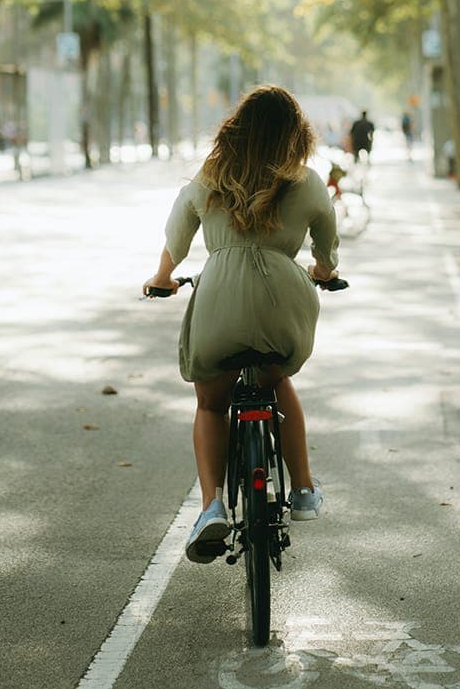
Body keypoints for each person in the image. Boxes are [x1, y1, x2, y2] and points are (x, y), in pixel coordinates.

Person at [143, 85, 340, 563]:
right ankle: (305, 489)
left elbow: (176, 238)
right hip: (283, 304)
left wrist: (162, 279)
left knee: (212, 404)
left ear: (237, 129)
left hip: (219, 302)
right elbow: (327, 251)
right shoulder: (308, 182)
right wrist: (324, 274)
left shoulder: (209, 177)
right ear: (296, 133)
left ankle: (212, 506)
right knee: (278, 382)